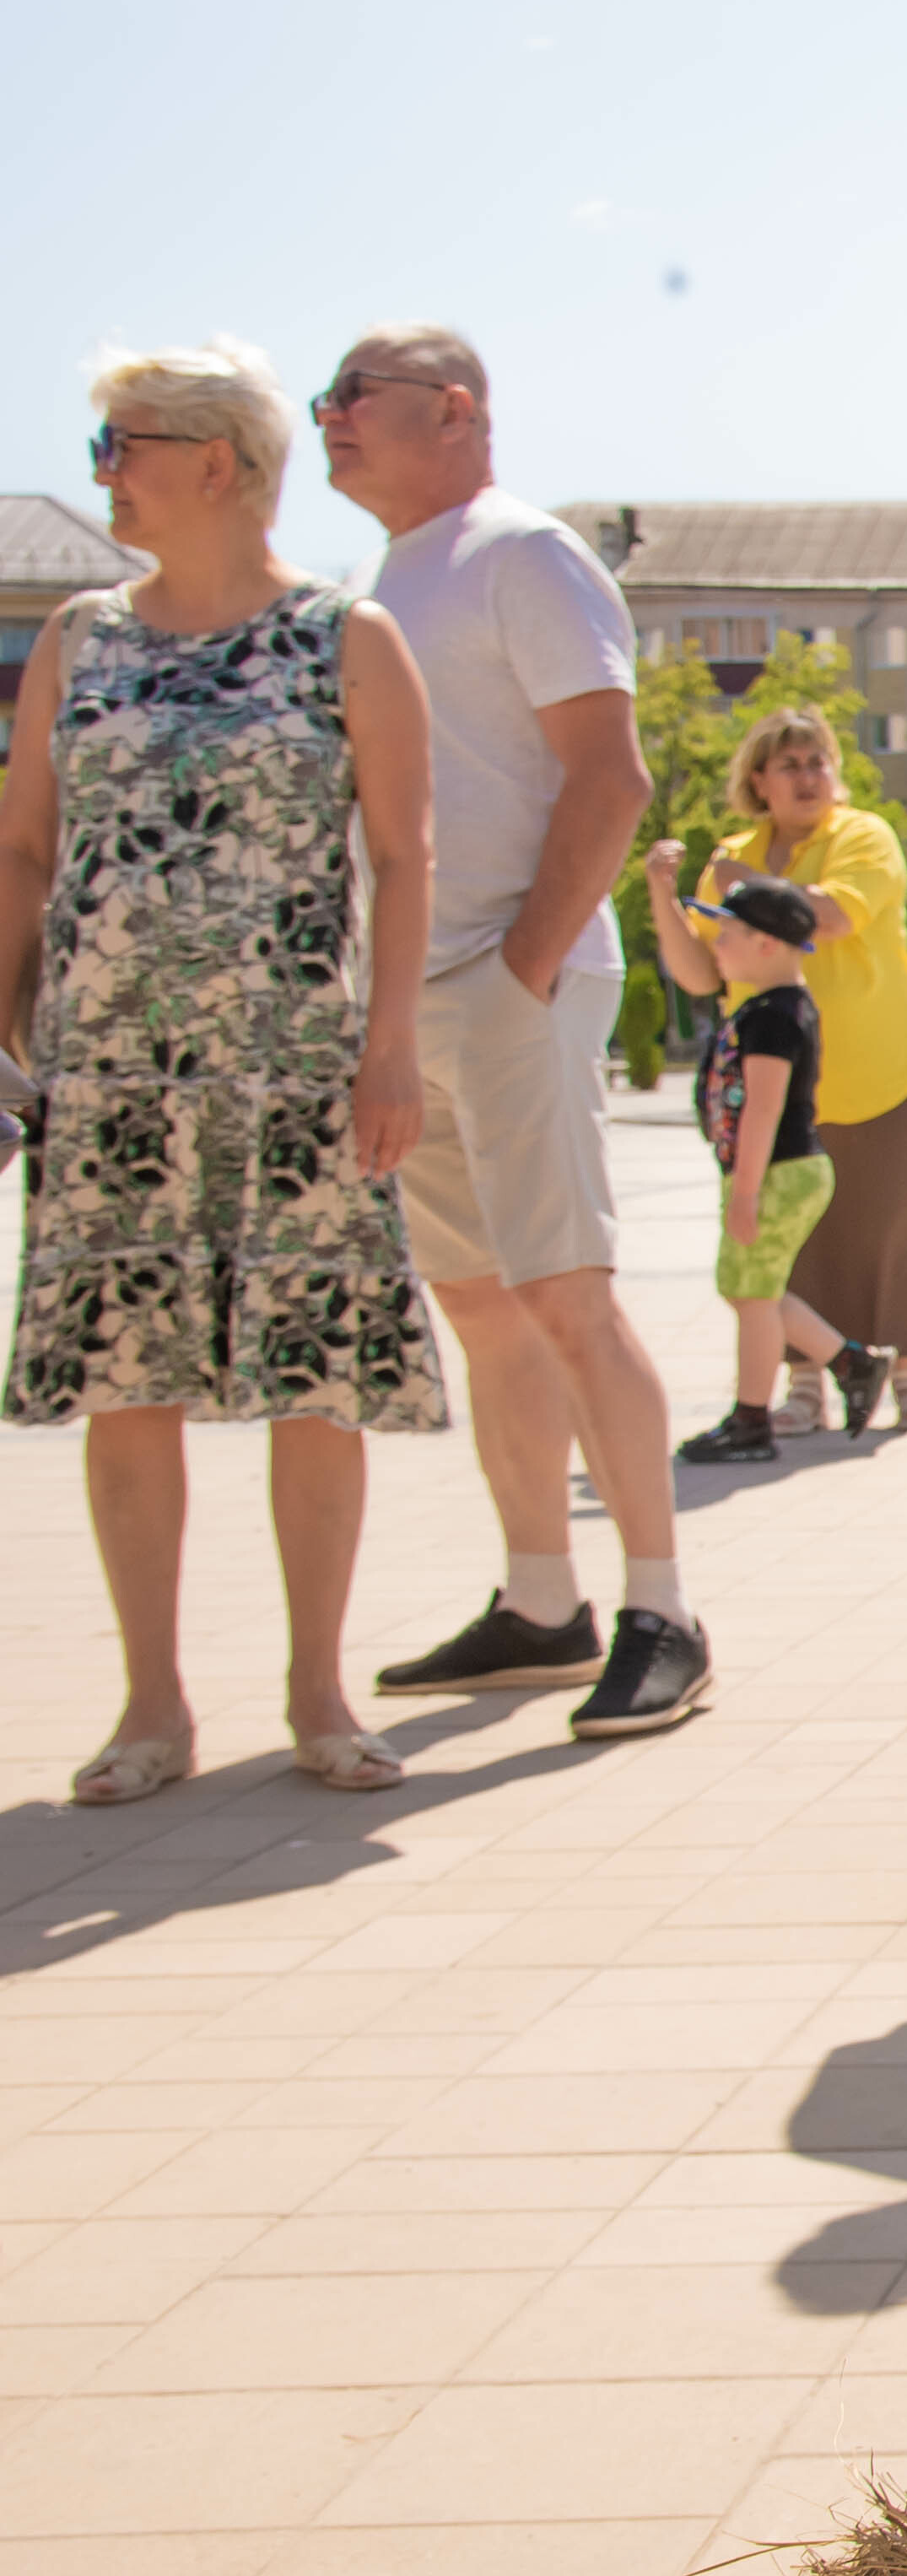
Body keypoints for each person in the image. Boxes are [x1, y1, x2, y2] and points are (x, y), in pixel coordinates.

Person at [1, 339, 445, 1801]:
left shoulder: (345, 638)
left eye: (119, 444)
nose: (103, 474)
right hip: (112, 1072)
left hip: (293, 1067)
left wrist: (392, 1044)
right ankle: (152, 1707)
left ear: (216, 459)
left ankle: (319, 1696)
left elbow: (400, 853)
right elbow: (21, 846)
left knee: (314, 1375)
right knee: (128, 1379)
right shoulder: (76, 638)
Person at [321, 321, 710, 1739]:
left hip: (506, 979)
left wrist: (518, 970)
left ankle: (666, 1608)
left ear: (456, 408)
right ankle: (543, 1602)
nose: (328, 420)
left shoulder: (521, 553)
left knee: (565, 1292)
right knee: (483, 1306)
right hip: (415, 995)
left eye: (352, 395)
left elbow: (610, 777)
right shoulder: (392, 576)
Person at [646, 711, 907, 1431]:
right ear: (758, 781)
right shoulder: (733, 852)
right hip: (778, 1086)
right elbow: (700, 974)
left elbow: (830, 917)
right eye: (791, 764)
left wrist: (742, 883)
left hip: (883, 1069)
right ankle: (805, 1382)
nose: (809, 776)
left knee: (891, 1225)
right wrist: (665, 894)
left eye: (818, 760)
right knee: (789, 1234)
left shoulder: (861, 834)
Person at [665, 874, 896, 1465]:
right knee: (752, 1290)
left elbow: (764, 1109)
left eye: (728, 933)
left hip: (777, 1174)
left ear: (766, 944)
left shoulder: (775, 1016)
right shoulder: (768, 1008)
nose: (717, 944)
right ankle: (852, 1363)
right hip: (774, 1173)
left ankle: (751, 1422)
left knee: (752, 1296)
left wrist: (745, 1193)